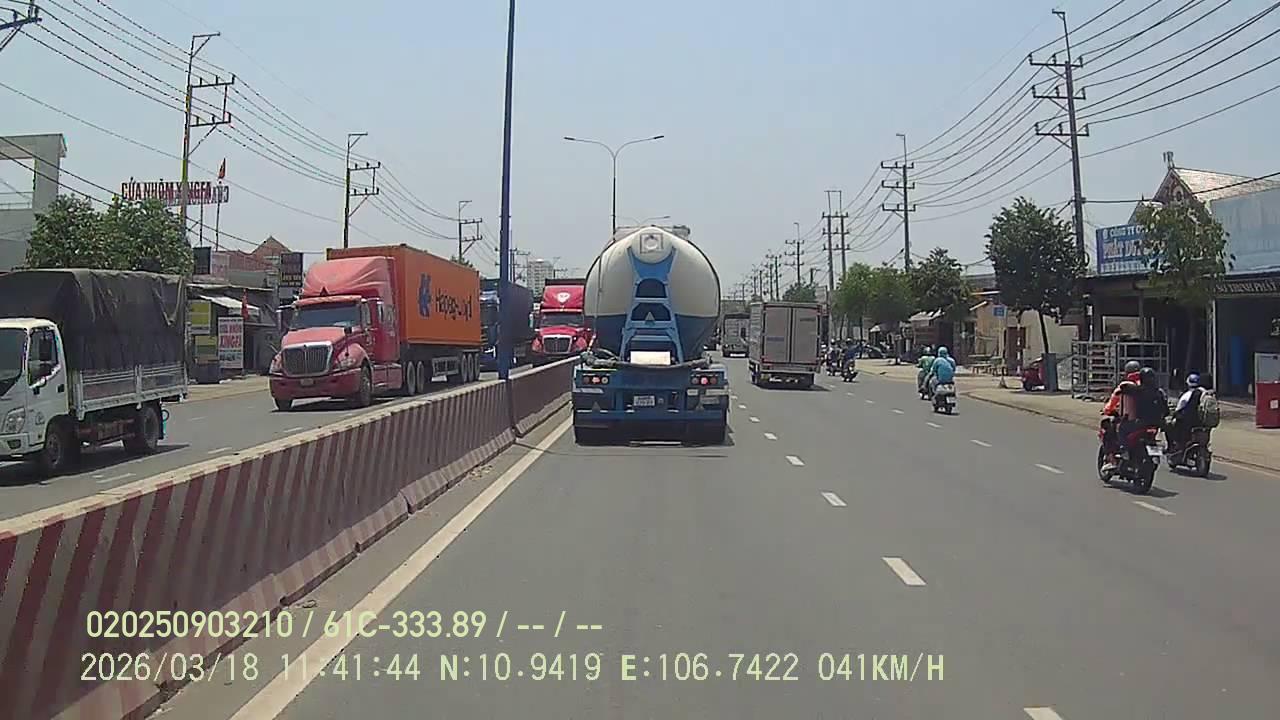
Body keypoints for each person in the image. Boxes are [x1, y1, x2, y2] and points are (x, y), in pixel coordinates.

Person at [1100, 361, 1143, 471]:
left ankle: (1113, 460)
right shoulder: (1146, 384)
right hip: (1145, 421)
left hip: (1129, 420)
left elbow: (1112, 403)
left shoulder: (1125, 386)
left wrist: (1106, 410)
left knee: (1109, 431)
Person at [1168, 373, 1213, 453]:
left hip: (1190, 423)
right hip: (1202, 423)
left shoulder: (1189, 394)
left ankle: (1175, 446)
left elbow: (1180, 409)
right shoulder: (1207, 393)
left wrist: (1174, 416)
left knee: (1170, 425)